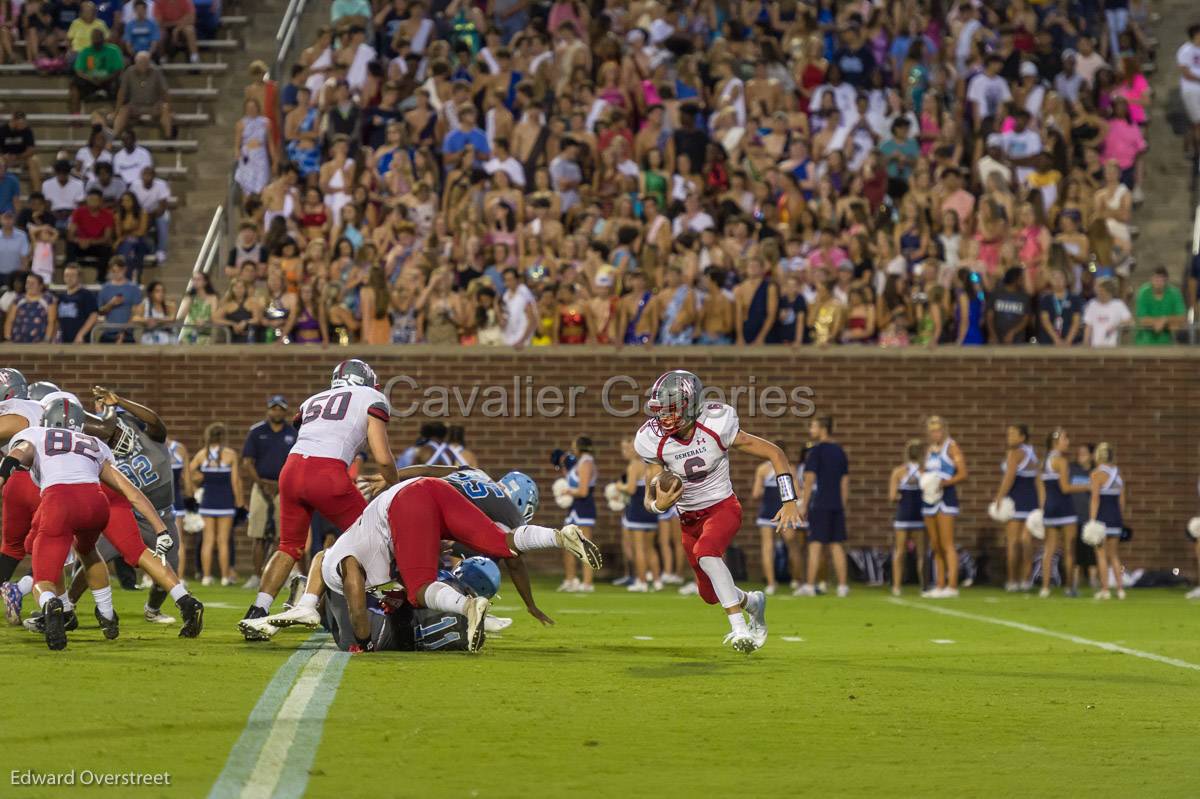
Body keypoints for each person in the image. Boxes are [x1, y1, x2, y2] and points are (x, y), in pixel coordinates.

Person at [246, 473, 595, 653]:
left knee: (419, 588)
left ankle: (467, 605)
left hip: (409, 498)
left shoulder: (348, 555)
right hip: (434, 491)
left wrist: (363, 643)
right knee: (503, 541)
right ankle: (558, 535)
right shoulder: (493, 490)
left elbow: (351, 573)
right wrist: (530, 604)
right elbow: (512, 558)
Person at [2, 397, 202, 649]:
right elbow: (130, 491)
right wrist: (160, 529)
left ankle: (55, 606)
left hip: (59, 500)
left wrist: (4, 471)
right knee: (94, 551)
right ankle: (109, 615)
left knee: (45, 570)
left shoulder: (36, 433)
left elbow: (16, 457)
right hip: (98, 502)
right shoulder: (94, 442)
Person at [635, 370, 802, 653]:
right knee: (709, 594)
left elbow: (775, 453)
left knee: (707, 553)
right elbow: (649, 496)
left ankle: (739, 629)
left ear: (691, 405)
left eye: (672, 410)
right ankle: (752, 603)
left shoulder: (715, 424)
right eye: (661, 411)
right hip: (688, 519)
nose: (664, 418)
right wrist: (658, 506)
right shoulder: (652, 439)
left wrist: (789, 501)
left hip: (722, 507)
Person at [241, 359, 399, 638]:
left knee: (288, 546)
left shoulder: (313, 399)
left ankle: (257, 611)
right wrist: (393, 482)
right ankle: (313, 603)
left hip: (290, 471)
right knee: (373, 538)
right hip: (327, 473)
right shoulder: (371, 396)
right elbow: (382, 456)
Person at [87, 386, 186, 624]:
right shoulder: (101, 447)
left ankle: (152, 609)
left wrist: (120, 401)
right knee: (93, 558)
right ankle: (68, 605)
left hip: (161, 516)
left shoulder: (151, 436)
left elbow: (154, 420)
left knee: (170, 567)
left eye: (121, 431)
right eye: (113, 433)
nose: (117, 437)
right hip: (125, 515)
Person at [240, 395, 297, 591]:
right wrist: (261, 484)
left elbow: (296, 462)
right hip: (261, 486)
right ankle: (257, 575)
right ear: (268, 410)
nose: (277, 412)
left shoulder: (293, 432)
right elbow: (247, 462)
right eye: (273, 408)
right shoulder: (257, 432)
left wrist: (280, 484)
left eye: (280, 408)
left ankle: (278, 575)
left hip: (285, 487)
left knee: (282, 536)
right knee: (258, 533)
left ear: (286, 411)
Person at [0, 370, 47, 589]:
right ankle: (22, 590)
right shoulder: (37, 407)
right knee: (58, 543)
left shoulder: (16, 409)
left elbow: (16, 423)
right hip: (44, 479)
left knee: (11, 548)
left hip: (15, 483)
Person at [795, 417, 850, 597]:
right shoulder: (840, 451)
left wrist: (804, 505)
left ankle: (810, 586)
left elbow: (809, 480)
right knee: (836, 545)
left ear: (823, 428)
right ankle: (842, 586)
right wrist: (842, 504)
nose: (811, 429)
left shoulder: (816, 451)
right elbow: (845, 481)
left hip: (820, 504)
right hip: (836, 505)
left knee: (815, 545)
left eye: (813, 426)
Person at [189, 422, 243, 587]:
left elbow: (188, 473)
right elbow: (235, 482)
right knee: (223, 541)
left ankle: (206, 577)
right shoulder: (230, 454)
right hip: (225, 502)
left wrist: (195, 487)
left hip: (207, 502)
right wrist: (240, 503)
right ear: (223, 437)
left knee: (208, 540)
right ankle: (225, 577)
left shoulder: (201, 455)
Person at [1037, 428, 1087, 598]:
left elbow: (1042, 489)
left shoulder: (1043, 461)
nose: (1068, 442)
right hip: (1065, 508)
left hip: (1050, 508)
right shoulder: (1061, 461)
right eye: (1065, 439)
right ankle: (1069, 587)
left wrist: (1043, 508)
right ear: (1056, 442)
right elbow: (1065, 488)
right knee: (1069, 549)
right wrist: (1087, 486)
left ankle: (1045, 588)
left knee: (1049, 550)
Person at [922, 415, 967, 598]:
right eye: (932, 430)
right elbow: (925, 472)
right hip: (929, 499)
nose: (935, 433)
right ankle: (940, 584)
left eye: (938, 430)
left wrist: (943, 483)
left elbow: (963, 473)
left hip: (946, 498)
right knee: (935, 544)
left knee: (947, 543)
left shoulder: (952, 447)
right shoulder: (929, 450)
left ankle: (952, 585)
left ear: (944, 430)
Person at [751, 443, 803, 596]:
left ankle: (771, 583)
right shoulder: (789, 469)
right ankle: (797, 581)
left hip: (767, 512)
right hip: (784, 511)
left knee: (767, 548)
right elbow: (797, 493)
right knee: (792, 545)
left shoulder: (762, 469)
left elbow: (756, 493)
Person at [994, 424, 1038, 592]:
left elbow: (1009, 477)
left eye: (1013, 434)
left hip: (1016, 501)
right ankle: (1026, 580)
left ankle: (1012, 581)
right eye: (1008, 433)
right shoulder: (1031, 453)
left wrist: (999, 496)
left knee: (1013, 542)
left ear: (1023, 437)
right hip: (1031, 501)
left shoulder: (1014, 453)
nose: (1009, 436)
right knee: (1026, 541)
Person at [557, 435, 596, 593]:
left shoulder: (586, 463)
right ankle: (571, 579)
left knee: (584, 545)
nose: (572, 448)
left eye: (574, 446)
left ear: (581, 447)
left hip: (584, 508)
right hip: (574, 507)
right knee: (567, 544)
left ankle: (587, 583)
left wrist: (566, 491)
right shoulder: (580, 462)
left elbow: (583, 490)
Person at [1088, 442, 1126, 600]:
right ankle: (1120, 590)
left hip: (1102, 518)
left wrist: (1092, 520)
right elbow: (1122, 501)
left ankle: (1105, 589)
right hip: (1116, 517)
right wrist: (1119, 517)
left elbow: (1095, 499)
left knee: (1101, 555)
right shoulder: (1118, 474)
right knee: (1114, 555)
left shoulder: (1096, 474)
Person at [889, 439, 926, 596]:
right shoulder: (926, 471)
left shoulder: (898, 472)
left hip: (903, 515)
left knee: (900, 552)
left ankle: (896, 587)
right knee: (921, 554)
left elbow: (892, 497)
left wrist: (900, 495)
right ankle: (924, 586)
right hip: (919, 515)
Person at [114, 51, 173, 139]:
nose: (144, 65)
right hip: (135, 106)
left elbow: (165, 91)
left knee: (165, 108)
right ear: (136, 62)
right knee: (123, 110)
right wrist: (116, 111)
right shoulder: (129, 72)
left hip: (153, 106)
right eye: (141, 62)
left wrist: (170, 109)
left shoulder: (156, 71)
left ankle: (169, 137)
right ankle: (115, 135)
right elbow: (121, 93)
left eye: (146, 62)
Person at [70, 28, 124, 113]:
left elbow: (118, 69)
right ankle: (75, 118)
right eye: (95, 41)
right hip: (89, 81)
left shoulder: (113, 50)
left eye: (99, 40)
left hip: (109, 80)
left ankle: (117, 114)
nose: (96, 43)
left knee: (120, 84)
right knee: (74, 84)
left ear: (103, 39)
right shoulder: (86, 51)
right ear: (91, 40)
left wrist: (106, 79)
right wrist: (90, 79)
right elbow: (79, 71)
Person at [1133, 266, 1186, 345]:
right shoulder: (1143, 292)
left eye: (1161, 279)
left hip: (1168, 343)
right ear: (1151, 279)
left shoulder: (1175, 293)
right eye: (1156, 279)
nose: (1158, 283)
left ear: (1166, 280)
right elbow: (1142, 319)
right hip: (1143, 343)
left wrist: (1165, 320)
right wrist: (1159, 322)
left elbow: (1182, 317)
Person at [67, 188, 116, 267]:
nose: (92, 202)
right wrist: (79, 241)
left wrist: (90, 242)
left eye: (94, 200)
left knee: (107, 250)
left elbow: (107, 238)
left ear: (100, 201)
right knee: (70, 246)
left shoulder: (108, 215)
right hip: (81, 244)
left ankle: (101, 278)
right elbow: (70, 235)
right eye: (90, 199)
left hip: (97, 244)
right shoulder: (78, 212)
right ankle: (70, 272)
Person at [5, 273, 56, 343]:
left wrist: (46, 340)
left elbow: (51, 322)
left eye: (33, 283)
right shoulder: (18, 299)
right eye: (28, 283)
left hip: (40, 343)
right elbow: (10, 320)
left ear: (40, 286)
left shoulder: (48, 300)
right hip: (17, 341)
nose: (29, 285)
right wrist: (8, 338)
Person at [0, 112, 44, 194]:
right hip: (5, 158)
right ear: (13, 121)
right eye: (20, 123)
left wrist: (17, 156)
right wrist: (4, 156)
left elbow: (31, 150)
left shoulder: (27, 130)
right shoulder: (2, 130)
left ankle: (37, 193)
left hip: (21, 158)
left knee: (34, 160)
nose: (23, 125)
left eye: (23, 122)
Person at [55, 263, 100, 343]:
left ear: (79, 277)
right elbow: (57, 320)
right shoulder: (61, 297)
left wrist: (81, 334)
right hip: (63, 341)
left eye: (72, 275)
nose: (69, 278)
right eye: (67, 275)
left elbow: (93, 316)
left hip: (80, 341)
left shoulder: (86, 295)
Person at [1082, 278, 1132, 347]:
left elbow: (1130, 321)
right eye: (1098, 290)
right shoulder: (1092, 304)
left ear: (1108, 292)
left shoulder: (1118, 304)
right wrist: (1085, 343)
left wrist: (1116, 326)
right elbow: (1088, 326)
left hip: (1113, 347)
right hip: (1095, 347)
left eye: (1102, 291)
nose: (1099, 293)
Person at [1038, 268, 1082, 346]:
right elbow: (1045, 321)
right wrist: (1056, 339)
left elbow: (1076, 322)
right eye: (1054, 278)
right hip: (1049, 341)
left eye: (1060, 278)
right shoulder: (1046, 299)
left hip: (1070, 342)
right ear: (1050, 281)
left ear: (1066, 280)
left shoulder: (1074, 299)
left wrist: (1068, 340)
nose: (1058, 281)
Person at [1180, 24, 1200, 160]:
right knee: (1197, 122)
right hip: (1191, 90)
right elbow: (1186, 73)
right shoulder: (1185, 51)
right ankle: (1195, 150)